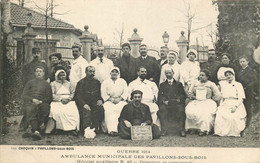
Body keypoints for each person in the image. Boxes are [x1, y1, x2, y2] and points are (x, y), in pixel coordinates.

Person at [185, 69, 221, 136]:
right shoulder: (195, 83)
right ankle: (193, 128)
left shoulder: (211, 84)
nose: (201, 76)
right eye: (200, 75)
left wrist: (212, 98)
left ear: (207, 77)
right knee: (191, 110)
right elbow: (190, 92)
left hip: (207, 101)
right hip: (197, 101)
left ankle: (204, 129)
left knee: (204, 112)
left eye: (203, 75)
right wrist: (193, 97)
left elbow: (218, 95)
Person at [21, 66, 52, 140]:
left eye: (40, 71)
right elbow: (24, 95)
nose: (39, 73)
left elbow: (49, 97)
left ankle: (34, 130)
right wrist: (32, 99)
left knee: (45, 109)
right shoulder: (30, 82)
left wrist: (41, 101)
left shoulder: (46, 84)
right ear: (35, 73)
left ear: (43, 73)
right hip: (30, 102)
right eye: (37, 71)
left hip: (42, 102)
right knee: (30, 109)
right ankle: (36, 131)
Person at [45, 70, 79, 136]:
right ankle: (58, 128)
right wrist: (61, 99)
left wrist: (69, 99)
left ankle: (71, 129)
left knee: (72, 111)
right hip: (57, 101)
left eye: (63, 75)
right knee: (56, 112)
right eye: (60, 75)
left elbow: (73, 93)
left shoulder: (69, 84)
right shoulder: (53, 84)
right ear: (57, 76)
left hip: (68, 101)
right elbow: (52, 94)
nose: (62, 77)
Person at [214, 70, 247, 137]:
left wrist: (235, 106)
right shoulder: (224, 85)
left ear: (233, 75)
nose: (228, 76)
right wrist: (220, 105)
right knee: (219, 115)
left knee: (232, 117)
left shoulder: (238, 84)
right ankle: (220, 132)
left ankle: (233, 132)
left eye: (230, 74)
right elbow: (222, 97)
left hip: (235, 103)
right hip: (226, 102)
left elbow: (241, 98)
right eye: (227, 75)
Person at [74, 66, 104, 134]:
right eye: (90, 71)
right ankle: (86, 130)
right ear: (86, 72)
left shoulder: (97, 82)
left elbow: (99, 94)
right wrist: (84, 104)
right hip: (84, 103)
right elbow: (78, 96)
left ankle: (95, 127)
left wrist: (100, 100)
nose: (92, 73)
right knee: (86, 112)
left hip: (94, 103)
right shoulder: (81, 82)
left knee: (100, 109)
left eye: (93, 71)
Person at [157, 67, 186, 136]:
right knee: (162, 110)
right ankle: (164, 130)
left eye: (170, 73)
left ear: (173, 73)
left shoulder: (179, 84)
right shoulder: (162, 85)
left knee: (181, 110)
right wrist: (164, 101)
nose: (168, 74)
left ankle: (181, 130)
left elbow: (183, 95)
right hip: (167, 103)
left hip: (176, 103)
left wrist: (179, 100)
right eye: (166, 73)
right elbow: (160, 96)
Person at [101, 67, 128, 136]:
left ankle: (121, 129)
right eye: (112, 72)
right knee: (109, 111)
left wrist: (120, 98)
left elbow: (126, 92)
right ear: (110, 73)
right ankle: (112, 130)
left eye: (116, 72)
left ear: (118, 73)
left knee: (120, 110)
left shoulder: (122, 81)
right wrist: (110, 99)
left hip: (120, 100)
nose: (114, 73)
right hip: (109, 101)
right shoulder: (105, 82)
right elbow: (103, 92)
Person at [237, 55, 258, 129]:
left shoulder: (250, 71)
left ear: (247, 62)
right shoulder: (240, 71)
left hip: (248, 92)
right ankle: (242, 124)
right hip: (241, 91)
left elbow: (254, 81)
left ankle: (248, 124)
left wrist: (246, 87)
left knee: (247, 107)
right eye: (240, 62)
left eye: (243, 61)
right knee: (242, 107)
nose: (242, 63)